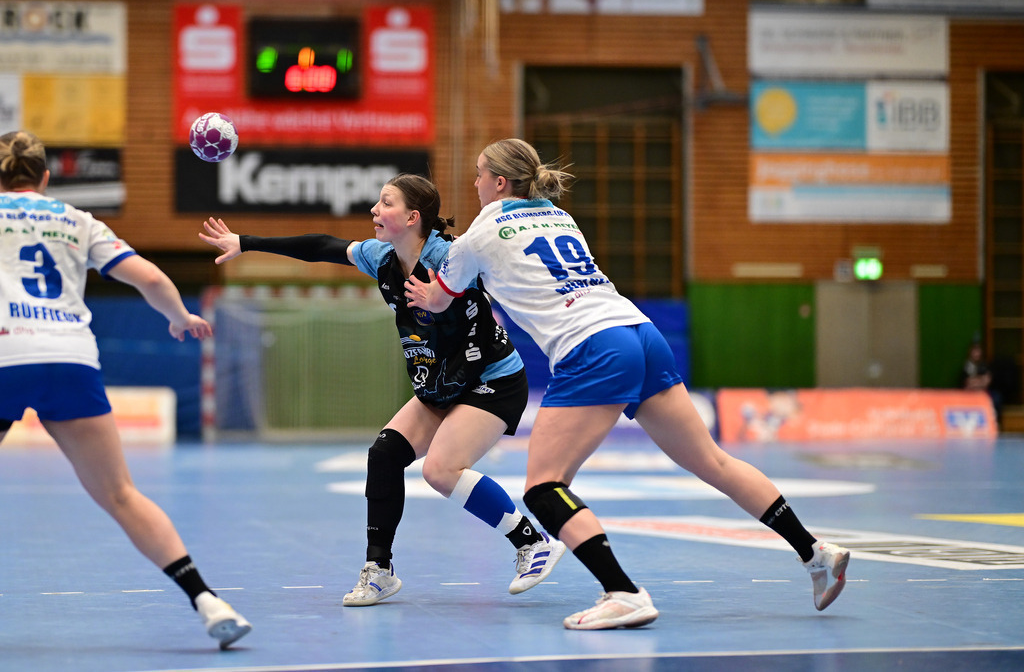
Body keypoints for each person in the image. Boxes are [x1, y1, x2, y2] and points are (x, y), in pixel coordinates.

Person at [405, 138, 852, 630]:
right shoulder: (557, 214)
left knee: (543, 488)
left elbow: (444, 297)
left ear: (499, 183)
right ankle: (816, 552)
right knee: (714, 462)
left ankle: (623, 593)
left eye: (479, 174)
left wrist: (424, 294)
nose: (474, 183)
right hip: (641, 333)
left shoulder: (478, 234)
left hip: (592, 347)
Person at [198, 173, 565, 606]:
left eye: (385, 202)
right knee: (385, 453)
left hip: (492, 380)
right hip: (440, 386)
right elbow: (321, 246)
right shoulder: (382, 258)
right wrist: (247, 242)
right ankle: (380, 570)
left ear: (412, 217)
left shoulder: (452, 258)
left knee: (441, 470)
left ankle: (532, 541)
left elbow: (496, 274)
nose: (374, 209)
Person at [0, 130, 251, 649]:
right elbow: (152, 280)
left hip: (5, 355)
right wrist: (180, 317)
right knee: (120, 494)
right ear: (45, 178)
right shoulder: (76, 220)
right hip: (69, 358)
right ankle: (209, 601)